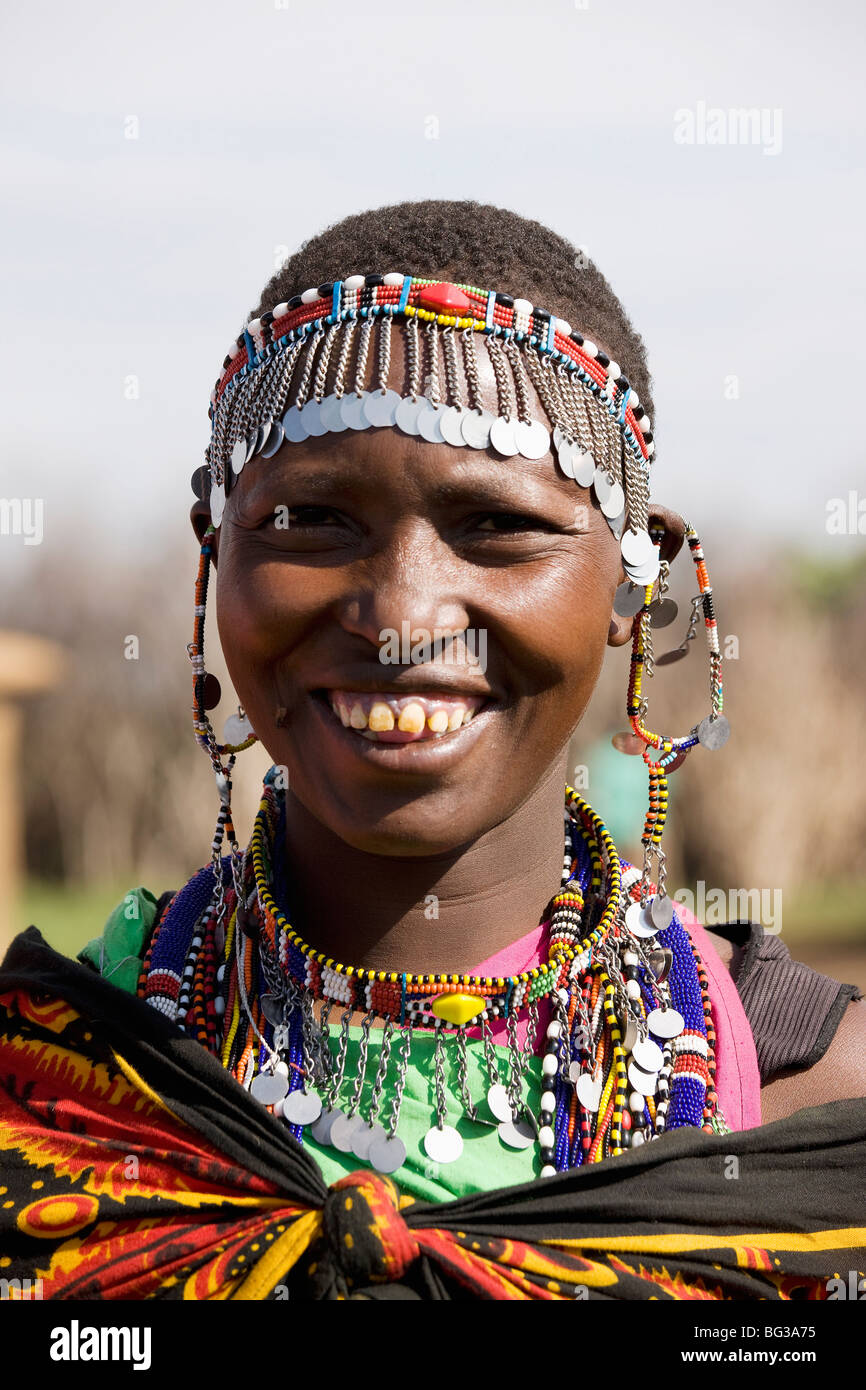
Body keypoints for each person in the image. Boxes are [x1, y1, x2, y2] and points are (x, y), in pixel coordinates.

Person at [2, 201, 864, 1302]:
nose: (399, 615)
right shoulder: (54, 1082)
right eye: (312, 522)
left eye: (494, 526)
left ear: (631, 578)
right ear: (216, 559)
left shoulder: (817, 1111)